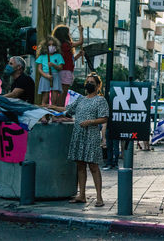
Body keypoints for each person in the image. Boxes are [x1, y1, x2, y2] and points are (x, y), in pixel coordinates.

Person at [48, 72, 109, 207]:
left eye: (92, 82)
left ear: (98, 86)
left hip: (91, 135)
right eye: (87, 82)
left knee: (93, 166)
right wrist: (52, 107)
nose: (88, 84)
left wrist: (90, 122)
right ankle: (82, 194)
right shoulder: (81, 99)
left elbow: (104, 118)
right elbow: (68, 110)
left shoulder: (100, 100)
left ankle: (99, 197)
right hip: (78, 135)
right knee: (80, 165)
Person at [52, 24, 84, 107]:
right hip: (66, 71)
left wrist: (78, 56)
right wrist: (81, 31)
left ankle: (59, 112)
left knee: (61, 93)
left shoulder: (61, 46)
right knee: (63, 93)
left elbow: (70, 60)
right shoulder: (66, 45)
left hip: (62, 71)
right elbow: (81, 42)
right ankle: (59, 112)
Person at [36, 36, 64, 106]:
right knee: (45, 97)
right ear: (45, 46)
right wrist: (46, 76)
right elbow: (39, 69)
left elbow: (60, 67)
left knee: (54, 98)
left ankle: (53, 115)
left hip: (55, 76)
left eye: (53, 45)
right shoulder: (42, 56)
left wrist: (53, 65)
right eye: (49, 45)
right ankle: (44, 116)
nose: (51, 47)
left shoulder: (59, 56)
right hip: (45, 76)